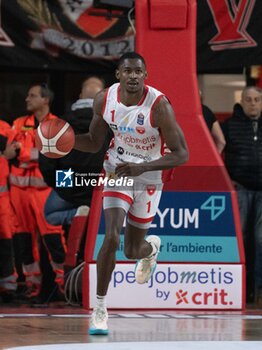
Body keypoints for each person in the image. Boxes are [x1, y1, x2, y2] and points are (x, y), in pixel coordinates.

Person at [74, 52, 189, 334]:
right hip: (117, 171)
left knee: (131, 250)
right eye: (128, 71)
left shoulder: (159, 106)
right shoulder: (105, 99)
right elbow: (93, 142)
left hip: (148, 175)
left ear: (145, 75)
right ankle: (100, 309)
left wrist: (143, 167)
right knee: (111, 236)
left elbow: (182, 154)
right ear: (119, 74)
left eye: (139, 71)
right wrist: (63, 141)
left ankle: (150, 249)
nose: (133, 76)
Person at [9, 83, 66, 300]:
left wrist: (23, 152)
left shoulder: (57, 125)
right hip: (19, 190)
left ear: (45, 100)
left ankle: (63, 284)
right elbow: (9, 152)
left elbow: (53, 154)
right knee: (24, 241)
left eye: (32, 95)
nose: (27, 99)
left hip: (45, 191)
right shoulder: (18, 123)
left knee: (53, 240)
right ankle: (32, 285)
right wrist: (34, 153)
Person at [39, 76, 110, 228]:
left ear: (80, 96)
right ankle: (94, 215)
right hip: (99, 182)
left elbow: (46, 162)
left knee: (50, 215)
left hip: (67, 178)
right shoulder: (112, 125)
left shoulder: (59, 123)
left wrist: (57, 183)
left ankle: (78, 215)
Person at [221, 86, 262, 306]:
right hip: (241, 188)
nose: (253, 103)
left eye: (256, 99)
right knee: (242, 238)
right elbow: (217, 149)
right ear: (242, 102)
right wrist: (227, 180)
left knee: (260, 239)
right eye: (249, 100)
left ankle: (258, 290)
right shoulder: (229, 125)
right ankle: (243, 291)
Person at [0, 120, 20, 301]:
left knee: (6, 240)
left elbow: (10, 150)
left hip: (3, 199)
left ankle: (8, 286)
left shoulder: (5, 127)